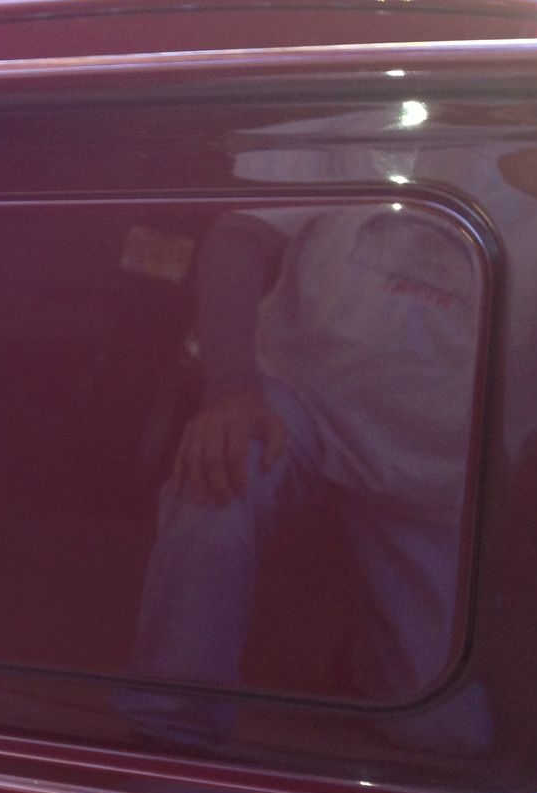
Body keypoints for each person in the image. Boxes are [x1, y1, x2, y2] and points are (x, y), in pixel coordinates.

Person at [121, 203, 484, 748]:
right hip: (298, 394)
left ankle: (364, 666)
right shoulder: (367, 119)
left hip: (441, 454)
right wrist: (230, 390)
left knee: (447, 734)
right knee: (220, 469)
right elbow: (238, 232)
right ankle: (171, 731)